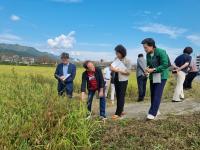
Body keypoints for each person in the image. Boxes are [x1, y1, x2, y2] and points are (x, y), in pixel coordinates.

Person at [141, 38, 170, 120]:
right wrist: (147, 70)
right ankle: (156, 110)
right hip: (153, 76)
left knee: (157, 93)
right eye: (144, 47)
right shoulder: (147, 55)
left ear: (152, 46)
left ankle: (152, 113)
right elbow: (149, 65)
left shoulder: (161, 52)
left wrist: (153, 69)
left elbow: (165, 64)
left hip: (162, 76)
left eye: (146, 47)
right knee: (153, 94)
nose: (144, 49)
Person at [110, 45, 132, 120]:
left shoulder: (127, 61)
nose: (116, 54)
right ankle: (121, 110)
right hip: (116, 79)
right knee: (118, 96)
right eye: (116, 53)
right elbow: (113, 67)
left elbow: (128, 72)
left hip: (123, 80)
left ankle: (118, 113)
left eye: (117, 53)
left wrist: (118, 70)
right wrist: (112, 69)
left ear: (122, 52)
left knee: (121, 96)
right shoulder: (116, 59)